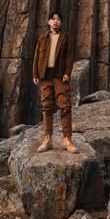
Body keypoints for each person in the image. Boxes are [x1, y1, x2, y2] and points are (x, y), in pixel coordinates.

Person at [32, 11, 78, 153]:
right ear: (49, 22)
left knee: (65, 106)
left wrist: (67, 73)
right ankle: (47, 139)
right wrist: (35, 73)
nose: (55, 21)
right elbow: (36, 56)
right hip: (45, 76)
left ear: (61, 23)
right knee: (46, 106)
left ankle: (67, 139)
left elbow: (70, 57)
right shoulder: (43, 38)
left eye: (58, 19)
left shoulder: (66, 37)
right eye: (53, 19)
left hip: (59, 76)